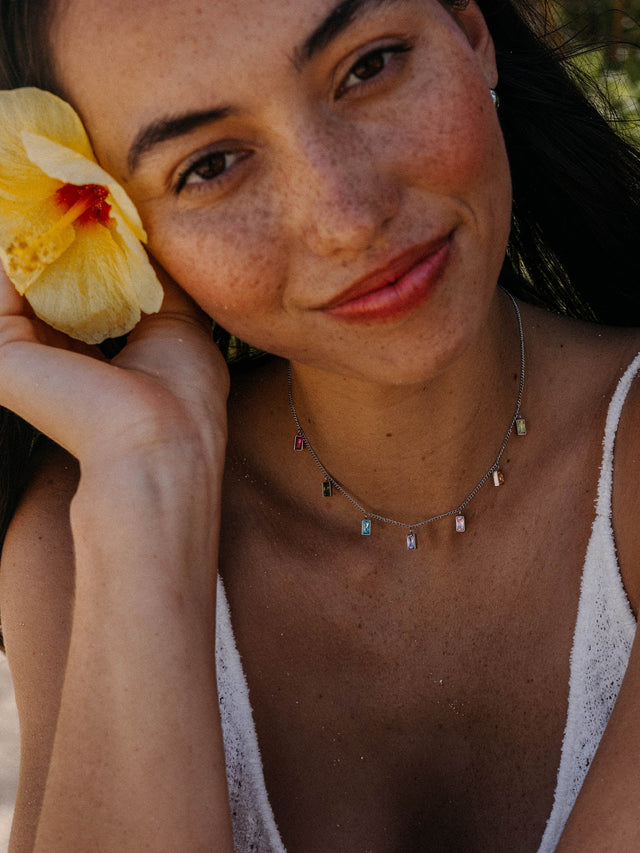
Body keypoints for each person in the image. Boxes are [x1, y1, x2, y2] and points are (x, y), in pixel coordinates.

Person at [0, 0, 639, 850]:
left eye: (369, 66)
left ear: (471, 31)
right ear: (121, 233)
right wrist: (145, 483)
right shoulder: (79, 544)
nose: (348, 215)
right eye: (212, 163)